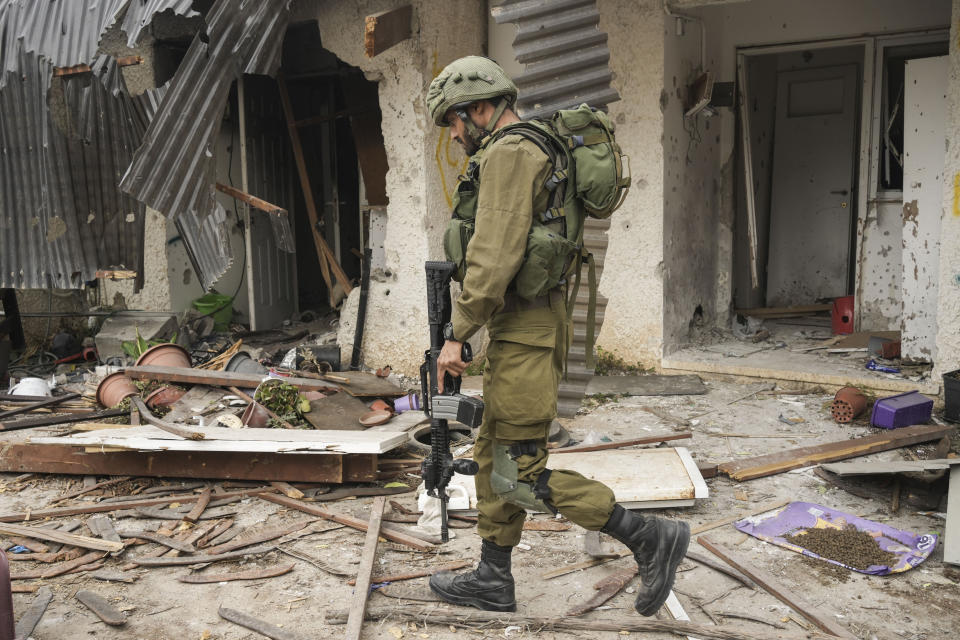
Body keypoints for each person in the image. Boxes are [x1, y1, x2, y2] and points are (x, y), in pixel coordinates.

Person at [424, 56, 690, 617]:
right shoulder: (523, 147)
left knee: (521, 472)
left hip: (527, 332)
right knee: (493, 450)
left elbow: (495, 256)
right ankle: (494, 578)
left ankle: (646, 535)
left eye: (453, 121)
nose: (452, 134)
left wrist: (457, 332)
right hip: (517, 328)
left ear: (479, 108)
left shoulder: (512, 153)